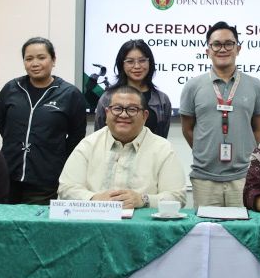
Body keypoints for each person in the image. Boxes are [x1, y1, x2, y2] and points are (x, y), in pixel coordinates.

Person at [180, 21, 260, 207]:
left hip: (243, 177)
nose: (223, 49)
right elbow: (187, 128)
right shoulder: (193, 86)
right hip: (204, 178)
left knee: (243, 233)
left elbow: (258, 129)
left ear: (238, 49)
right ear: (208, 50)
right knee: (205, 232)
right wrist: (204, 152)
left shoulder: (255, 86)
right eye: (216, 44)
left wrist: (245, 152)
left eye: (229, 44)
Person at [58, 86, 186, 208]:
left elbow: (177, 197)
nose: (124, 115)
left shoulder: (162, 148)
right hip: (95, 223)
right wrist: (94, 199)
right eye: (117, 108)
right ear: (107, 113)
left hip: (142, 227)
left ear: (145, 116)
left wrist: (143, 200)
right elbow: (66, 188)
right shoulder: (89, 144)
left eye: (132, 109)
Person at [0, 37, 87, 205]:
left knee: (35, 226)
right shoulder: (11, 89)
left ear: (53, 60)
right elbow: (3, 124)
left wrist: (54, 160)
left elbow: (76, 137)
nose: (35, 63)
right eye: (29, 59)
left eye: (41, 57)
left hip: (46, 179)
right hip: (8, 175)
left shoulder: (70, 94)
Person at [94, 39, 171, 138]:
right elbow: (99, 138)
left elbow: (162, 140)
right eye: (130, 61)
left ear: (150, 63)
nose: (137, 66)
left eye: (142, 60)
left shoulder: (162, 100)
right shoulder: (107, 98)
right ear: (122, 64)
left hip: (152, 153)